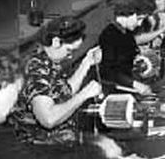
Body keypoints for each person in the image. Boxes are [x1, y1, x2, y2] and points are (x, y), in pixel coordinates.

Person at [8, 16, 102, 146]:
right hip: (41, 150)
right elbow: (48, 119)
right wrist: (83, 95)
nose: (70, 56)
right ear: (56, 42)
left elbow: (63, 93)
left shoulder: (48, 61)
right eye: (69, 50)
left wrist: (87, 63)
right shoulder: (36, 70)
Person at [98, 0, 165, 95]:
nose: (139, 24)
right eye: (138, 19)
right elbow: (109, 71)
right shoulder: (109, 35)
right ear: (126, 16)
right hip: (118, 89)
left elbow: (130, 53)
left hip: (130, 81)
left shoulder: (125, 31)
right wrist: (134, 84)